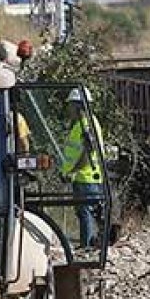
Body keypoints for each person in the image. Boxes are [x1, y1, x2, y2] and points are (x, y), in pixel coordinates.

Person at [60, 88, 105, 248]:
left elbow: (87, 152)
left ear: (78, 106)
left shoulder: (85, 125)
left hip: (85, 177)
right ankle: (90, 244)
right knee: (86, 212)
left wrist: (72, 172)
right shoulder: (83, 124)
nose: (69, 109)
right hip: (85, 176)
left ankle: (87, 247)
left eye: (71, 105)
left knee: (86, 212)